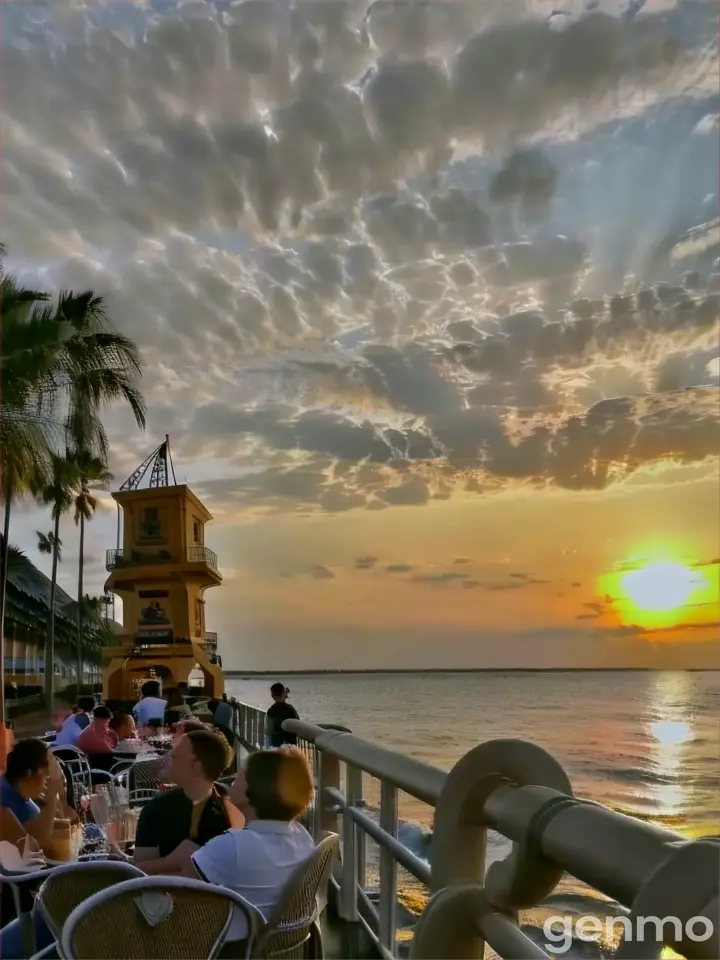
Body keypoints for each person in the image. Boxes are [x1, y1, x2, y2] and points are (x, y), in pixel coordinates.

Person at [190, 748, 315, 952]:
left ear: (255, 788)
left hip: (228, 950)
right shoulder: (302, 837)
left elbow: (178, 890)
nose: (234, 778)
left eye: (241, 774)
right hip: (273, 949)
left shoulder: (233, 845)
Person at [133, 729, 243, 873]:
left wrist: (171, 863)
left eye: (175, 755)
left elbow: (139, 871)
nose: (169, 755)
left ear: (196, 767)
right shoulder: (232, 810)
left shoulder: (158, 807)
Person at [0, 739, 75, 850]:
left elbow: (39, 824)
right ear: (29, 774)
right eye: (46, 777)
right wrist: (52, 795)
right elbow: (35, 846)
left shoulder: (22, 796)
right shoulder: (4, 800)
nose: (47, 782)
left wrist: (73, 826)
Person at [266, 682, 299, 747]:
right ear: (283, 694)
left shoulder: (271, 711)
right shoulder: (290, 709)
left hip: (276, 743)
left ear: (272, 696)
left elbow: (268, 730)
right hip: (290, 743)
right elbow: (297, 723)